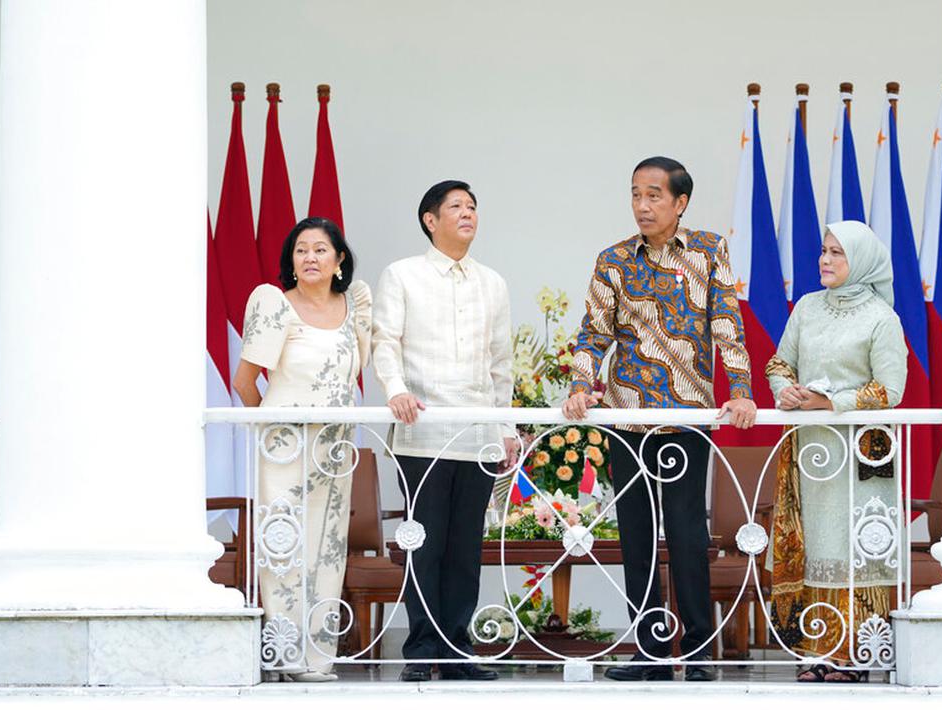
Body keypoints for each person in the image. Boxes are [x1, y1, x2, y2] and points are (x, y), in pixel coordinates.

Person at [562, 156, 756, 681]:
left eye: (653, 195)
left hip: (688, 420)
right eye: (635, 194)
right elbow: (593, 333)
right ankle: (649, 653)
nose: (642, 206)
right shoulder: (613, 259)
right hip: (627, 421)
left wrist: (740, 390)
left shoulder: (709, 250)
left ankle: (695, 651)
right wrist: (582, 385)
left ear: (680, 203)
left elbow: (726, 325)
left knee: (689, 537)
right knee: (637, 537)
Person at [372, 180, 514, 683]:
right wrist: (394, 388)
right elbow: (385, 341)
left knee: (465, 548)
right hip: (423, 431)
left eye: (473, 206)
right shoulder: (402, 275)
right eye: (456, 206)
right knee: (422, 543)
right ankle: (419, 648)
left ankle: (457, 649)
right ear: (430, 220)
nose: (467, 213)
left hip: (477, 434)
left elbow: (501, 364)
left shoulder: (492, 282)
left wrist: (507, 427)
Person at [766, 220, 907, 683]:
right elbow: (780, 362)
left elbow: (890, 389)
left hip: (859, 455)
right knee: (816, 546)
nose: (825, 260)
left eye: (837, 254)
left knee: (852, 548)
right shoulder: (807, 308)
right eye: (824, 251)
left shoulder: (882, 318)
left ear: (861, 262)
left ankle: (855, 651)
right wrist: (786, 390)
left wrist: (831, 403)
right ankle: (818, 648)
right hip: (810, 450)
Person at [234, 216, 373, 682]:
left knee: (327, 548)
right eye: (300, 250)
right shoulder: (275, 304)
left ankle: (318, 658)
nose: (309, 258)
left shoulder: (355, 307)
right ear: (291, 263)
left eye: (319, 249)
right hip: (286, 447)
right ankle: (284, 655)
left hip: (334, 449)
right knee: (284, 547)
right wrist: (276, 427)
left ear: (340, 261)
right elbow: (245, 382)